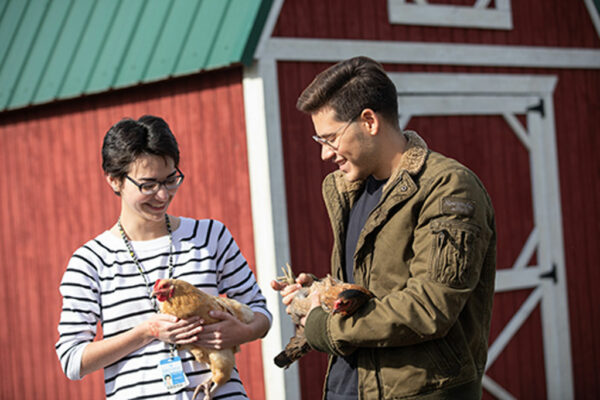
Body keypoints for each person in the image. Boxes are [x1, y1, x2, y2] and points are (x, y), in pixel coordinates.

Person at [271, 56, 496, 399]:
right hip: (349, 387)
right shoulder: (348, 190)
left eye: (330, 139)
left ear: (369, 121)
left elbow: (429, 306)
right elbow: (377, 288)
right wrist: (323, 294)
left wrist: (327, 326)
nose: (325, 155)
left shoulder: (447, 187)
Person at [56, 115, 271, 399]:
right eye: (148, 185)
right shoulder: (90, 262)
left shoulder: (210, 236)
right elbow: (72, 360)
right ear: (114, 181)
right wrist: (146, 332)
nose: (162, 195)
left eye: (170, 180)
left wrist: (240, 332)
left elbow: (260, 313)